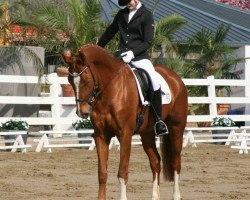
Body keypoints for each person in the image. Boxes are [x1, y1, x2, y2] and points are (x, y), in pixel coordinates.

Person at [97, 0, 168, 136]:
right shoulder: (121, 14)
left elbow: (148, 41)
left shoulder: (146, 15)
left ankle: (159, 121)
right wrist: (97, 48)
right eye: (125, 2)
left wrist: (132, 53)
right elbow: (110, 32)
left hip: (140, 57)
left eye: (128, 1)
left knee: (154, 81)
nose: (127, 4)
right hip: (121, 56)